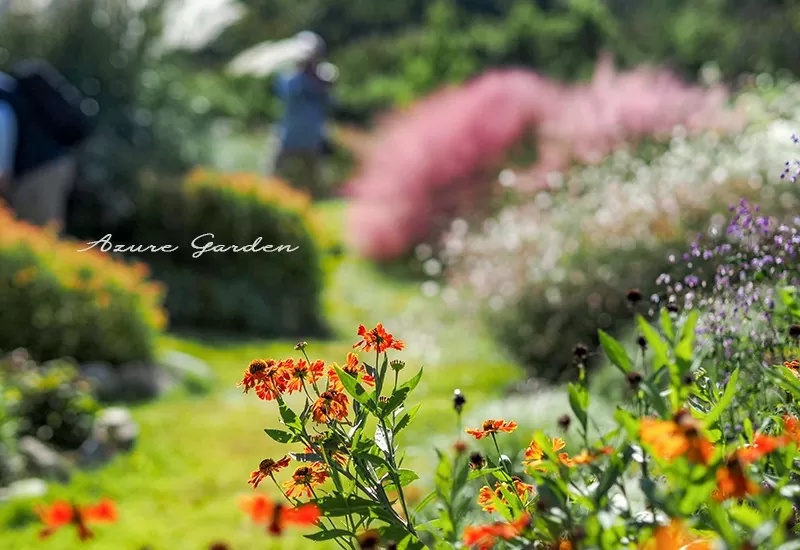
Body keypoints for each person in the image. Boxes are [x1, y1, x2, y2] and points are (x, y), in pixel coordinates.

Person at [0, 62, 84, 231]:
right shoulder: (7, 88)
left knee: (37, 236)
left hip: (41, 170)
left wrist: (4, 180)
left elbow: (4, 129)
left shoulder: (3, 97)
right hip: (53, 165)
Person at [268, 31, 337, 197]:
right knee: (274, 173)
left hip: (311, 136)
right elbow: (283, 90)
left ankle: (314, 203)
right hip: (289, 134)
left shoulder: (324, 77)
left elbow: (331, 98)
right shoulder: (291, 78)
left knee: (312, 178)